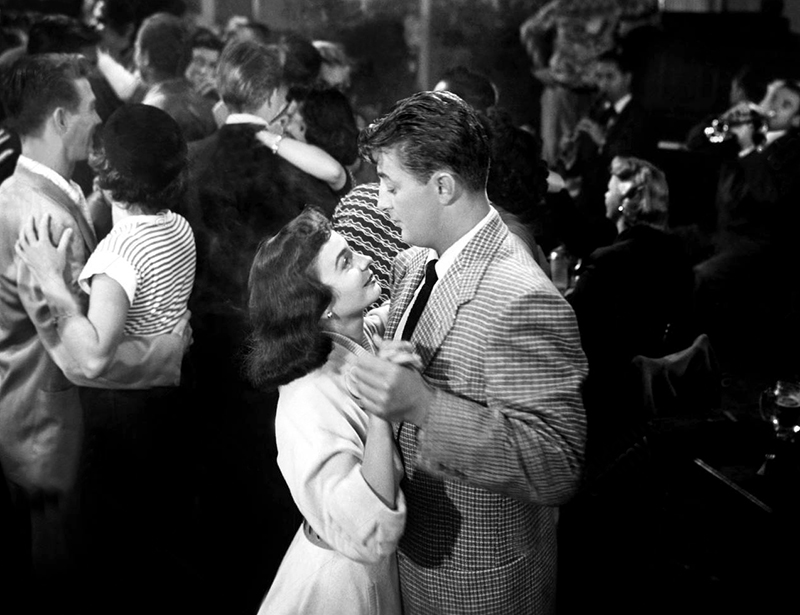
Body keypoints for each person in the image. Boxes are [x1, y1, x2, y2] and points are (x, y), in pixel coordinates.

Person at [353, 90, 588, 614]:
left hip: (478, 584)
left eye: (390, 185)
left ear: (443, 186)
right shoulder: (419, 259)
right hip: (415, 556)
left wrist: (424, 407)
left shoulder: (521, 296)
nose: (380, 202)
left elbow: (558, 464)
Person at [0, 53, 188, 613]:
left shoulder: (34, 194)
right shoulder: (43, 218)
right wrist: (169, 350)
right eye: (89, 107)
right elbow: (81, 358)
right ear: (61, 119)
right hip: (50, 434)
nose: (100, 119)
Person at [246, 206, 407, 615]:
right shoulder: (308, 397)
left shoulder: (355, 337)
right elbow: (367, 532)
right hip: (343, 585)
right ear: (319, 308)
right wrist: (380, 412)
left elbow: (389, 315)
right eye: (346, 262)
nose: (366, 260)